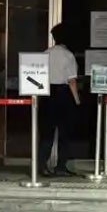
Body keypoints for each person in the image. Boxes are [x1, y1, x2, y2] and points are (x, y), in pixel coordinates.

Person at [38, 23, 80, 176]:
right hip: (63, 94)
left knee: (46, 133)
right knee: (64, 133)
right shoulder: (68, 55)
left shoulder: (45, 53)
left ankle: (41, 166)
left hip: (47, 94)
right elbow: (72, 81)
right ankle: (61, 167)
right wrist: (77, 100)